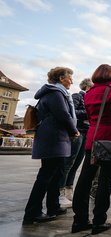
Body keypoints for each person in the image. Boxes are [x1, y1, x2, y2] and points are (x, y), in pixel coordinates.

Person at [72, 64, 111, 235]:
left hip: (92, 137)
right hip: (110, 139)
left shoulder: (89, 92)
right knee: (105, 181)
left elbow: (90, 117)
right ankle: (99, 221)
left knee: (84, 179)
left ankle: (79, 220)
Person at [22, 67, 79, 225]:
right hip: (53, 138)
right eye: (70, 78)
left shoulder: (55, 92)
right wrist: (74, 130)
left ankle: (53, 206)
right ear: (61, 78)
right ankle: (32, 213)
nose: (72, 81)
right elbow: (63, 114)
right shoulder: (55, 93)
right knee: (46, 175)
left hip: (56, 138)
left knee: (57, 173)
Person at [58, 78, 93, 207]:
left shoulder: (89, 98)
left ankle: (68, 190)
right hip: (77, 132)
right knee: (69, 162)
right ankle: (60, 193)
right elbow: (72, 112)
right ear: (88, 87)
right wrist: (89, 113)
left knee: (77, 163)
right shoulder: (78, 96)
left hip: (86, 132)